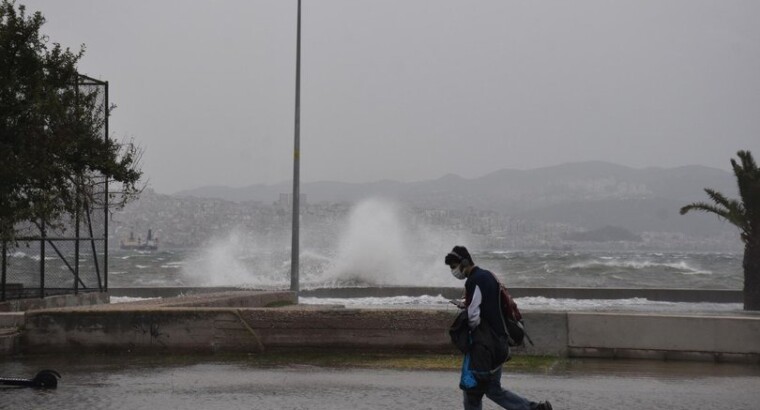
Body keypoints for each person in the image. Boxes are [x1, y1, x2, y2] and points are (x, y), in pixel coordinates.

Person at [446, 245, 553, 410]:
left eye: (454, 266)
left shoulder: (474, 280)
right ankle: (534, 409)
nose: (454, 271)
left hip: (485, 347)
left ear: (465, 262)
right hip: (499, 343)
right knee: (493, 389)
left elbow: (474, 315)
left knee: (472, 393)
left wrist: (467, 323)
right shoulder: (488, 275)